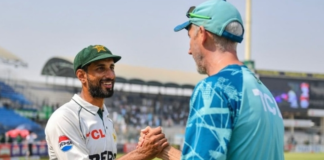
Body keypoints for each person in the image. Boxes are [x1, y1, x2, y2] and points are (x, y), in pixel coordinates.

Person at [139, 0, 284, 160]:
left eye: (190, 37)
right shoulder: (264, 92)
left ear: (202, 34)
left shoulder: (215, 88)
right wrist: (165, 150)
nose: (189, 50)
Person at [45, 45, 168, 160]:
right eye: (100, 68)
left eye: (111, 68)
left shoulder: (104, 115)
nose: (110, 75)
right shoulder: (65, 118)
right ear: (82, 76)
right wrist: (141, 154)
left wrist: (144, 148)